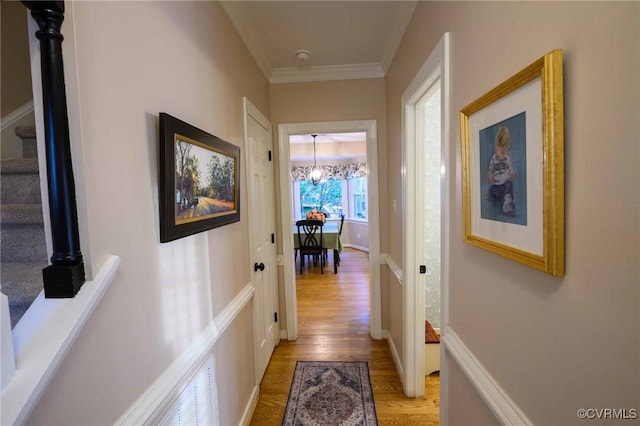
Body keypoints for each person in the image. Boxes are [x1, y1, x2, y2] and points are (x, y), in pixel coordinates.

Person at [488, 126, 516, 213]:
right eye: (501, 152)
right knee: (492, 192)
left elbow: (510, 168)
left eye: (505, 150)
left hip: (505, 183)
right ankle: (505, 198)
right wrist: (491, 176)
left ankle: (507, 199)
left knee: (509, 185)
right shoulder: (493, 159)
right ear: (496, 147)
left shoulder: (507, 159)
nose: (503, 154)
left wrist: (511, 174)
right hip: (496, 184)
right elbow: (490, 169)